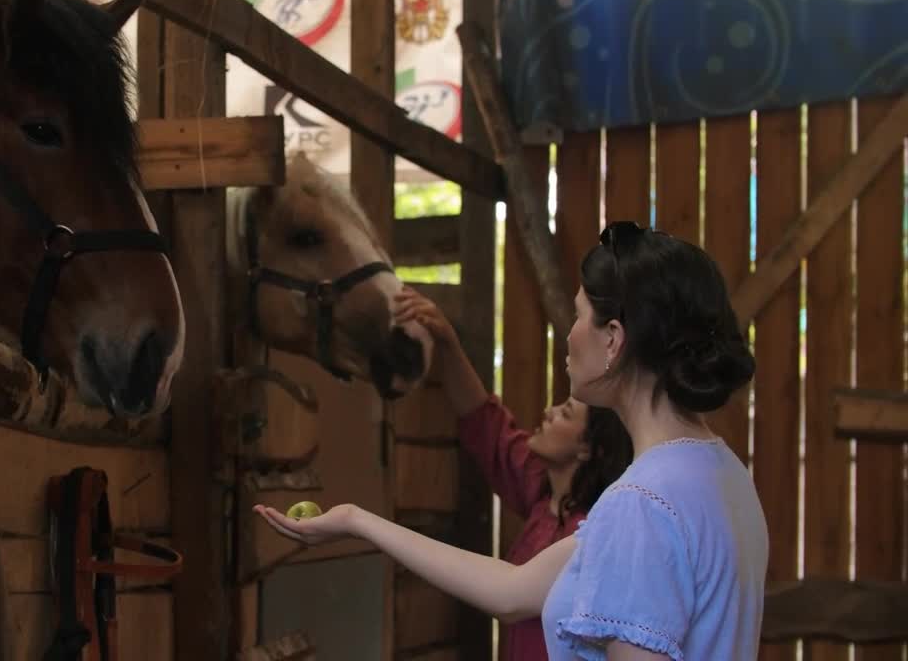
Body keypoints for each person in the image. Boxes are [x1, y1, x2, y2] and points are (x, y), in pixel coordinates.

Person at [255, 221, 767, 660]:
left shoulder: (641, 504)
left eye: (577, 315)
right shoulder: (721, 474)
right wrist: (355, 520)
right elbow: (512, 590)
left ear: (612, 339)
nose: (568, 336)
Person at [393, 285, 633, 661]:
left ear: (587, 448)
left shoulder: (591, 531)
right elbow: (485, 421)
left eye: (566, 414)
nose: (549, 413)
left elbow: (510, 600)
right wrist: (447, 343)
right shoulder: (541, 493)